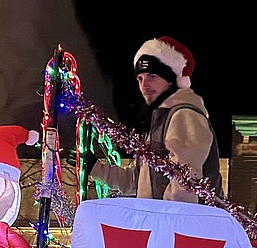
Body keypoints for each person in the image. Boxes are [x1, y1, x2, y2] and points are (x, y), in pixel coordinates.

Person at [87, 36, 222, 204]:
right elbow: (135, 181)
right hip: (164, 223)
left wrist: (159, 223)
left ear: (171, 80)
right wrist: (94, 167)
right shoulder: (159, 123)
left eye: (152, 76)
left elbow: (185, 186)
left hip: (182, 226)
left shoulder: (184, 116)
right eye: (140, 79)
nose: (144, 86)